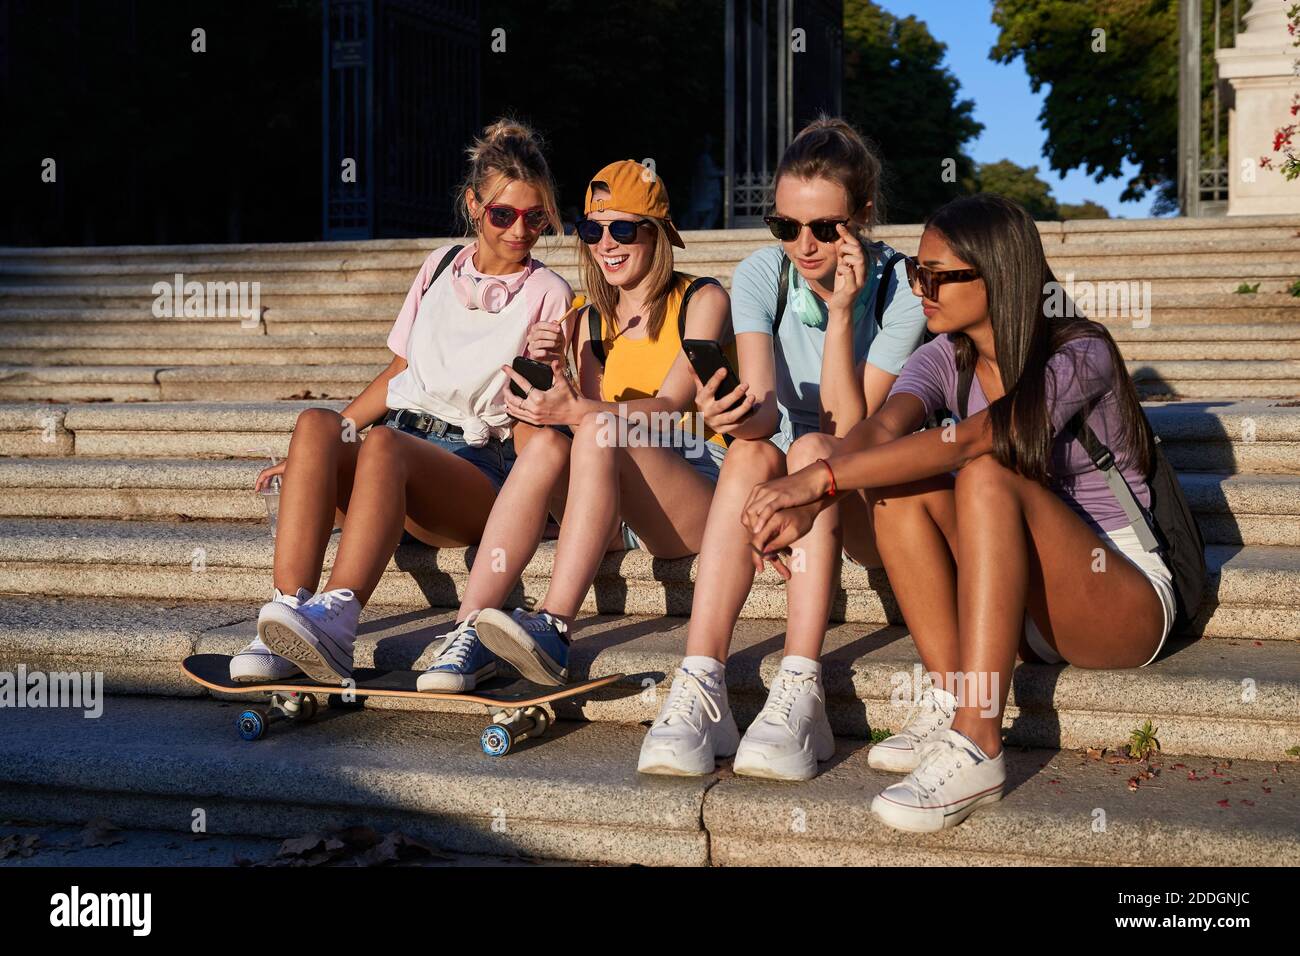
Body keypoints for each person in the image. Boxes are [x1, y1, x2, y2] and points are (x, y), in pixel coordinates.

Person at [741, 193, 1176, 830]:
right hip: (1021, 604)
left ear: (998, 275)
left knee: (984, 471)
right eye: (918, 273)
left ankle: (979, 743)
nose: (924, 288)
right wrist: (813, 492)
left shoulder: (1080, 351)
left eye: (940, 276)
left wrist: (819, 481)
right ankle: (954, 694)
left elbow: (975, 438)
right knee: (901, 488)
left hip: (1118, 595)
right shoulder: (946, 356)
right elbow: (877, 432)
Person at [228, 118, 572, 684]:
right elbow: (400, 371)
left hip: (472, 469)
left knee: (384, 442)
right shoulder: (438, 266)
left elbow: (547, 402)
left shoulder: (549, 291)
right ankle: (288, 618)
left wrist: (554, 364)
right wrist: (314, 460)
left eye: (535, 217)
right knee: (316, 424)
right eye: (503, 214)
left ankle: (338, 623)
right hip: (393, 460)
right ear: (473, 205)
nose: (520, 230)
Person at [636, 117, 927, 780]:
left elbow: (856, 433)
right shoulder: (763, 273)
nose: (804, 244)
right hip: (783, 475)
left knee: (815, 449)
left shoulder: (901, 288)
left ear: (864, 215)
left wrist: (844, 313)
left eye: (825, 228)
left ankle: (802, 689)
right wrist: (728, 412)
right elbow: (764, 410)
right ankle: (703, 681)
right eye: (785, 226)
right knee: (747, 454)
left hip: (864, 490)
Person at [417, 159, 732, 693]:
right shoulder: (586, 316)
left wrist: (577, 412)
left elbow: (671, 407)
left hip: (693, 482)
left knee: (594, 428)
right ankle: (468, 626)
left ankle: (556, 623)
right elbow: (586, 420)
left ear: (658, 234)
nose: (606, 242)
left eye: (623, 229)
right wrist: (554, 386)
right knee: (543, 447)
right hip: (615, 498)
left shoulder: (703, 298)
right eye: (593, 229)